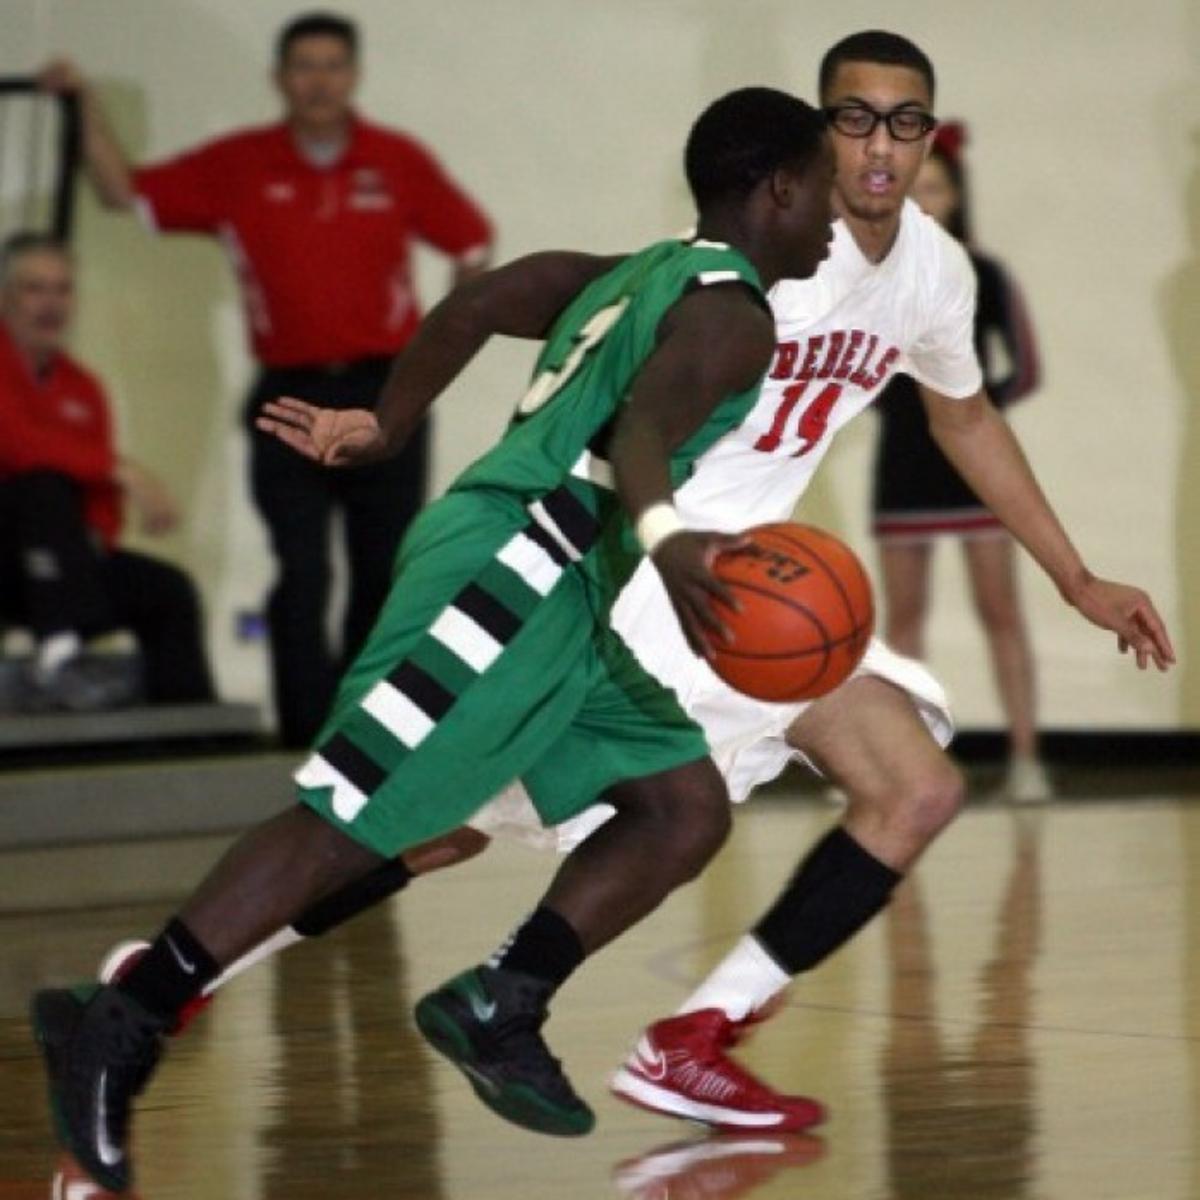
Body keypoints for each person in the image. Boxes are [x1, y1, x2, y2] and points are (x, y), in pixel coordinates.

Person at [92, 30, 1174, 1141]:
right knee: (444, 821)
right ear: (811, 140)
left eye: (906, 120)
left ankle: (685, 1038)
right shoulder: (764, 256)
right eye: (854, 116)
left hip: (746, 584)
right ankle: (182, 977)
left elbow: (964, 414)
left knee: (912, 786)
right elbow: (591, 339)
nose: (880, 144)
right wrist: (414, 426)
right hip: (644, 567)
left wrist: (1077, 576)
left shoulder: (934, 272)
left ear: (930, 133)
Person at [30, 87, 837, 1193]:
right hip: (511, 575)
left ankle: (501, 1000)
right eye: (825, 194)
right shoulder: (733, 314)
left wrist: (391, 421)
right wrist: (668, 539)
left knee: (681, 804)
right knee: (347, 825)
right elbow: (643, 427)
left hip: (568, 595)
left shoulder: (643, 272)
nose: (835, 220)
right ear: (779, 188)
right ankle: (120, 1025)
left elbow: (484, 298)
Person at [41, 11, 495, 745]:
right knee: (303, 571)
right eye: (303, 67)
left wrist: (436, 354)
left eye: (332, 66)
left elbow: (471, 242)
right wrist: (83, 103)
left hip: (385, 396)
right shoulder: (240, 165)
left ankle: (366, 734)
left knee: (383, 572)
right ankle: (303, 737)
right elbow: (122, 191)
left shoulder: (396, 160)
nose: (318, 81)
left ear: (353, 76)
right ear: (281, 79)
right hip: (290, 396)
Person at [871, 123, 1049, 801]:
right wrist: (897, 412)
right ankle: (902, 764)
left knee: (1001, 611)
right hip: (903, 469)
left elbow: (1025, 367)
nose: (924, 202)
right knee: (905, 620)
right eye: (914, 192)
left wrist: (972, 411)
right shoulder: (877, 275)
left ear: (957, 195)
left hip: (972, 468)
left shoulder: (985, 274)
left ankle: (1026, 758)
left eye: (937, 189)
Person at [0, 232, 215, 709]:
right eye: (34, 289)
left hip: (60, 562)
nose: (50, 304)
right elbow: (16, 445)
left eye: (62, 290)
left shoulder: (83, 386)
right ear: (6, 297)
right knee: (41, 487)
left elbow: (99, 499)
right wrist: (125, 471)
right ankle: (60, 656)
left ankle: (191, 737)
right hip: (8, 554)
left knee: (167, 589)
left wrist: (96, 536)